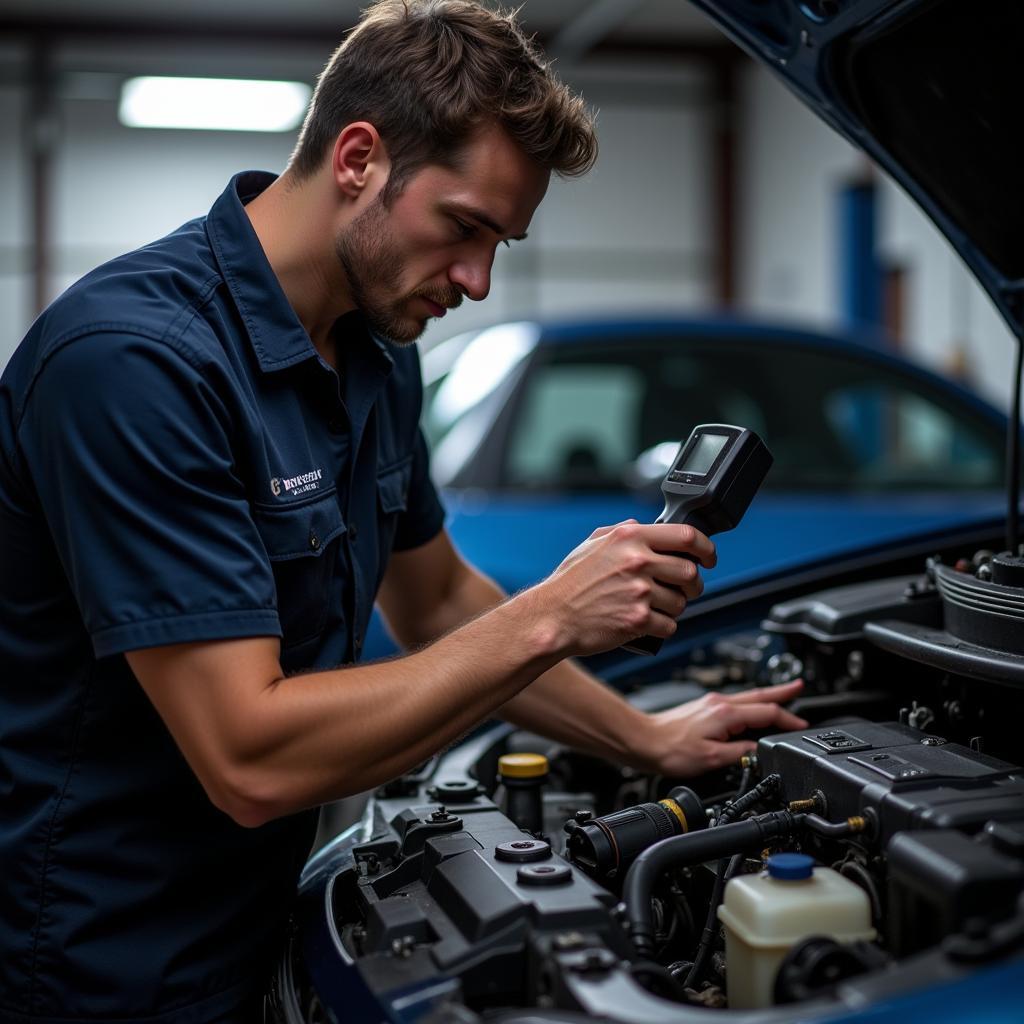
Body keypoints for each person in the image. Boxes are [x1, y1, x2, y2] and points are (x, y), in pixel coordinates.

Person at [0, 2, 806, 1021]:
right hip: (102, 966)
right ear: (357, 159)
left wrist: (646, 740)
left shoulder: (374, 356)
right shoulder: (133, 365)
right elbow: (248, 756)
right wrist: (552, 610)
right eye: (463, 228)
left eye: (500, 242)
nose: (476, 280)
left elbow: (432, 601)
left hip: (264, 923)